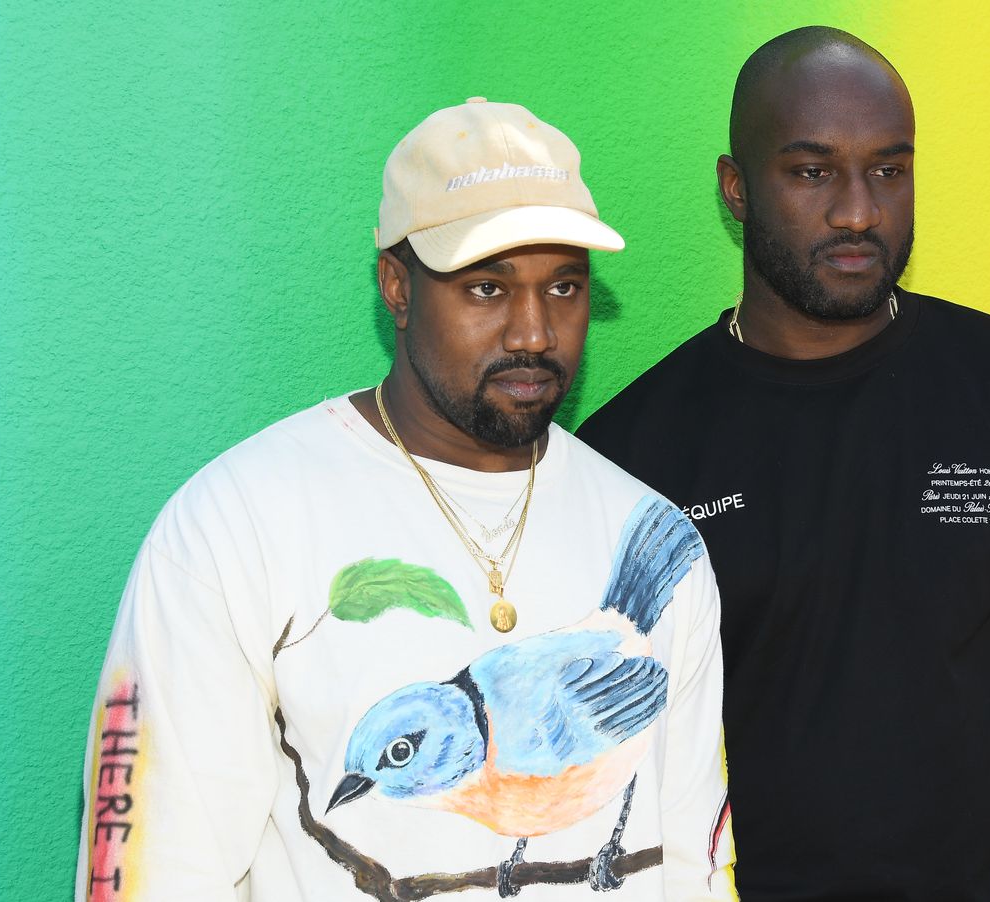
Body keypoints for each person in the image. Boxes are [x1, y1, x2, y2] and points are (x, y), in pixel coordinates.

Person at [78, 98, 735, 902]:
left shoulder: (656, 533)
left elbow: (695, 864)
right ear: (397, 285)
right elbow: (159, 869)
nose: (534, 332)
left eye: (564, 286)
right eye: (487, 288)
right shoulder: (235, 527)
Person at [578, 27, 990, 902]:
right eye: (813, 171)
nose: (858, 210)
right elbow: (609, 761)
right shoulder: (634, 453)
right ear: (736, 188)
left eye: (889, 169)